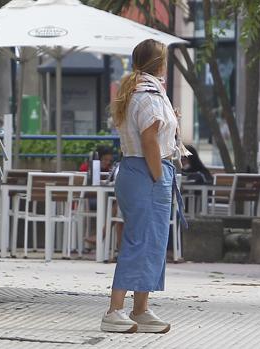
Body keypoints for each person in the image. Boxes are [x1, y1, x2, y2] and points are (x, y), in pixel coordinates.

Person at [100, 39, 187, 334]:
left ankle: (140, 308)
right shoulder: (149, 94)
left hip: (134, 169)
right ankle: (115, 309)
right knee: (141, 240)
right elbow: (150, 138)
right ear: (160, 64)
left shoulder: (133, 89)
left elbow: (150, 132)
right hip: (147, 170)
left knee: (151, 240)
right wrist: (157, 174)